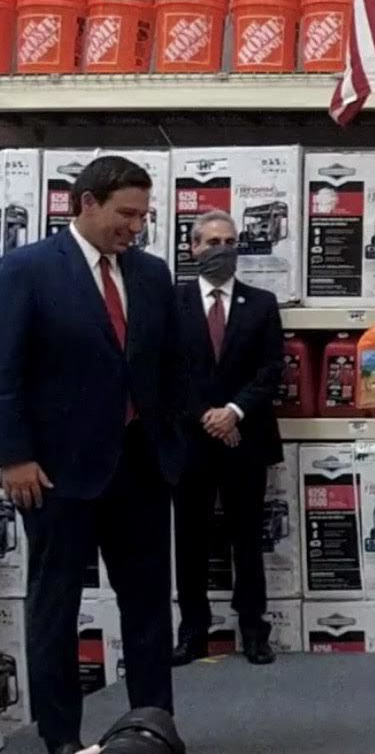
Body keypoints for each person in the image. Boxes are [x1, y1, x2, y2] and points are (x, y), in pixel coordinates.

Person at [0, 157, 185, 754]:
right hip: (56, 475)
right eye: (125, 214)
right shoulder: (26, 269)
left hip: (141, 469)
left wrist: (173, 446)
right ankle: (62, 740)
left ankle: (153, 729)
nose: (135, 227)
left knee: (149, 606)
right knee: (56, 609)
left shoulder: (152, 274)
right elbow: (5, 371)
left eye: (143, 216)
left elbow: (170, 369)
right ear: (85, 203)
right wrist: (13, 456)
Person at [172, 210, 284, 667]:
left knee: (247, 539)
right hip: (190, 442)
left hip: (246, 438)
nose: (222, 249)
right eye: (212, 242)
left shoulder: (261, 303)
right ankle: (193, 632)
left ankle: (254, 630)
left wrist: (234, 411)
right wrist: (207, 415)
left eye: (229, 242)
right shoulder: (171, 302)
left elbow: (271, 370)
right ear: (193, 248)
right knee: (190, 540)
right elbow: (165, 371)